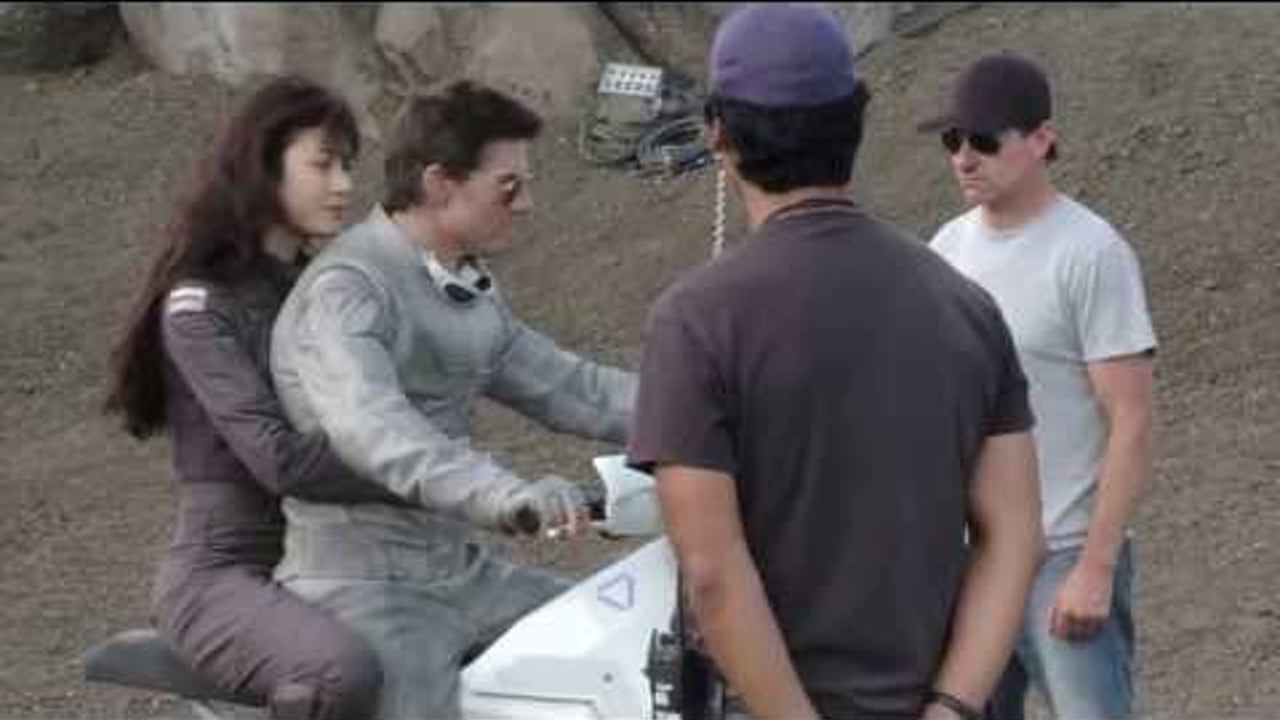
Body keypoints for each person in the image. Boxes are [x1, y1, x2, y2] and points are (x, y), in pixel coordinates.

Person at [626, 5, 1047, 719]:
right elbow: (1015, 536)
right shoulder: (964, 305)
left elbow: (713, 572)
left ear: (718, 132)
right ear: (857, 118)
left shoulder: (694, 322)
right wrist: (951, 706)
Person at [268, 80, 637, 719]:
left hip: (459, 570)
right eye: (509, 186)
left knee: (625, 648)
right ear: (439, 184)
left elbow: (571, 387)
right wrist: (506, 493)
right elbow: (376, 428)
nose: (527, 204)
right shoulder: (346, 292)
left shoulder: (461, 287)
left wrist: (718, 411)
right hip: (366, 585)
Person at [102, 76, 406, 720]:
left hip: (333, 554)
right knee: (340, 673)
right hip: (224, 572)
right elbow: (279, 458)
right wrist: (419, 465)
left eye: (348, 166)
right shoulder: (200, 306)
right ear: (262, 167)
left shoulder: (327, 293)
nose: (344, 185)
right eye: (323, 164)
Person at [924, 53, 1157, 720]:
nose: (964, 158)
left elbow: (1134, 419)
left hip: (1063, 552)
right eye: (952, 140)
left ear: (1041, 139)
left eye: (983, 140)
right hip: (972, 558)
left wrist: (1096, 566)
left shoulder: (1090, 252)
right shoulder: (945, 251)